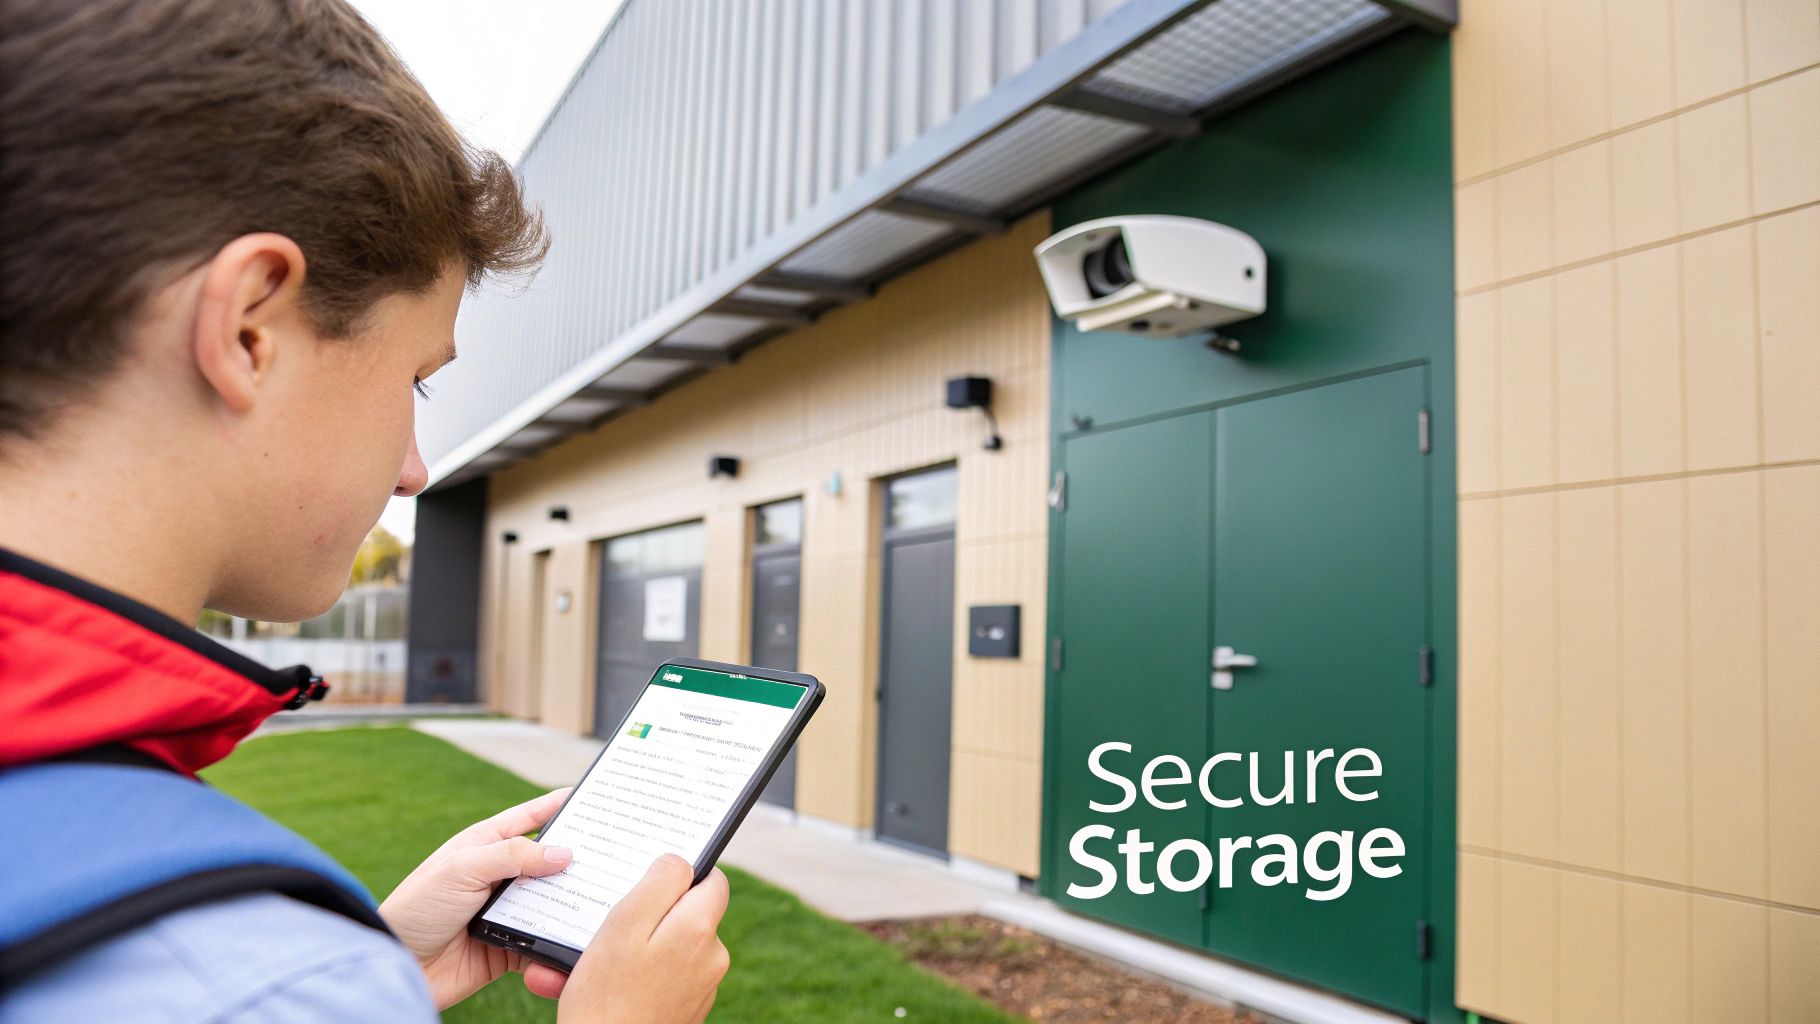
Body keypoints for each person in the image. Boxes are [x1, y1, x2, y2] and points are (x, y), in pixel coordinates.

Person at [0, 1, 730, 1020]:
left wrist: (376, 966)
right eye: (416, 382)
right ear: (251, 328)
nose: (414, 469)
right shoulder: (256, 979)